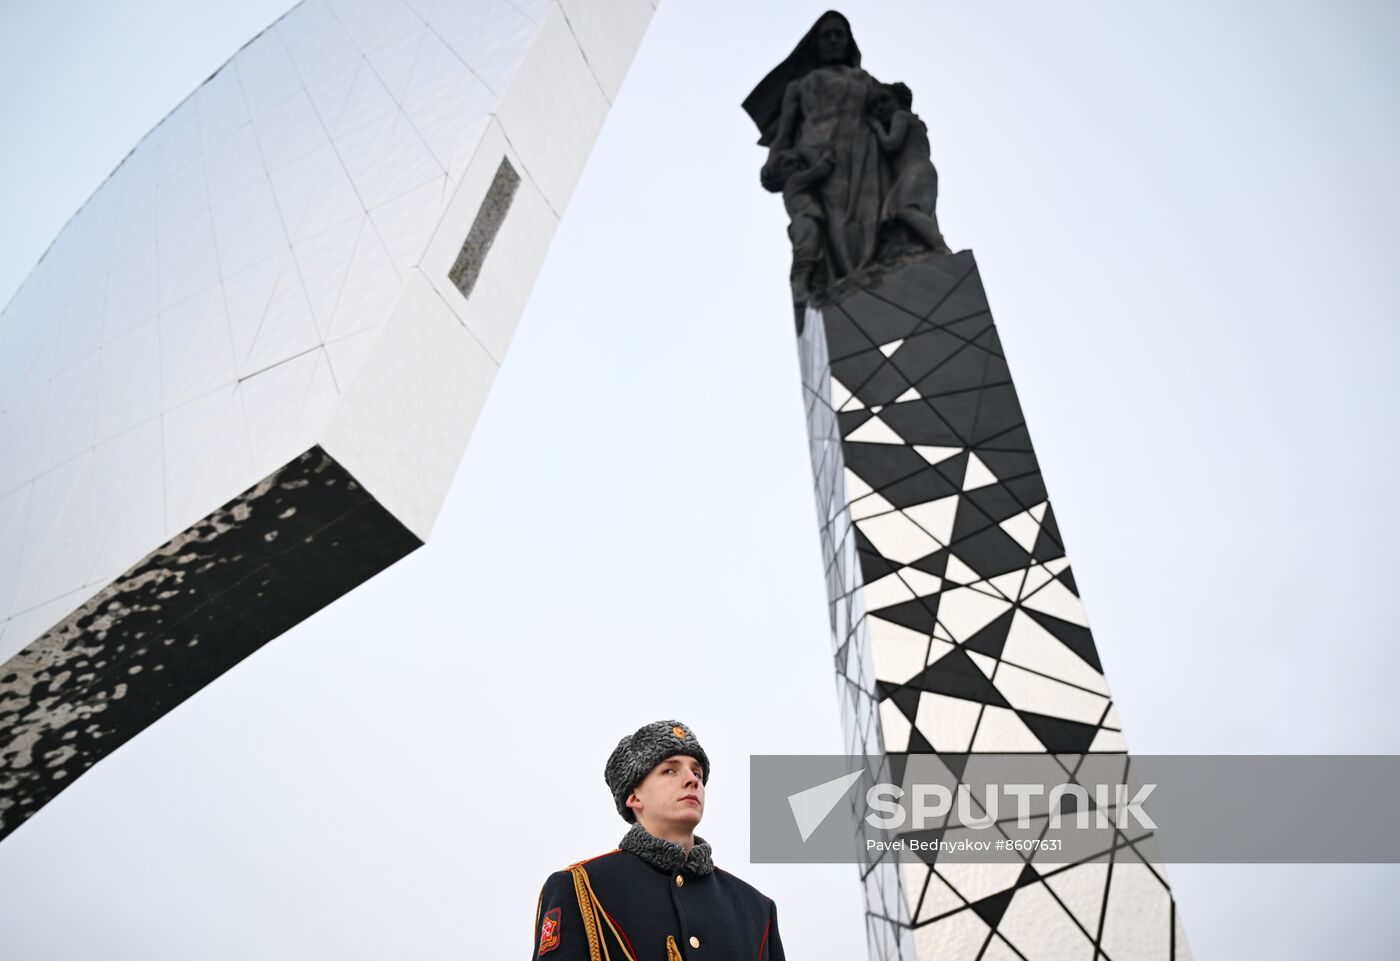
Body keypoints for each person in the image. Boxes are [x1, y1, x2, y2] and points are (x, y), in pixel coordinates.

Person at [531, 720, 786, 960]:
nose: (692, 780)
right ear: (634, 796)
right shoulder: (581, 888)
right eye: (669, 770)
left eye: (697, 772)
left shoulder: (757, 910)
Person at [746, 11, 884, 286]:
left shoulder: (863, 80)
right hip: (819, 160)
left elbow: (888, 112)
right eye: (826, 36)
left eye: (839, 35)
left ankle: (875, 273)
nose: (833, 41)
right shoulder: (800, 87)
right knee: (834, 226)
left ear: (848, 42)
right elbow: (784, 135)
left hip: (863, 156)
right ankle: (846, 282)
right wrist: (772, 163)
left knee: (870, 220)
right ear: (817, 44)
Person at [866, 82, 952, 256]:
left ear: (897, 100)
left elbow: (891, 144)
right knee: (917, 214)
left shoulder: (901, 117)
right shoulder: (913, 121)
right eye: (874, 105)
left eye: (884, 100)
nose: (880, 107)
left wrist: (876, 128)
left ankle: (940, 247)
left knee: (907, 211)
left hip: (916, 170)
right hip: (915, 171)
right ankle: (928, 248)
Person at [768, 145, 837, 306]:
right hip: (805, 221)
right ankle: (800, 288)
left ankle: (814, 286)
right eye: (789, 164)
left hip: (809, 220)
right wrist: (827, 153)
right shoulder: (794, 181)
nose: (796, 165)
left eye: (798, 162)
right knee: (807, 253)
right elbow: (820, 171)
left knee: (816, 254)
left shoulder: (794, 181)